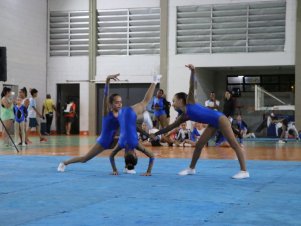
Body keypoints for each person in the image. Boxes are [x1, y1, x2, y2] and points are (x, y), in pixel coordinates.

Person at [153, 64, 249, 179]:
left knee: (234, 144)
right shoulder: (183, 116)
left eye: (174, 101)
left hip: (220, 119)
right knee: (198, 145)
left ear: (181, 100)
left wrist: (193, 71)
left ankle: (244, 171)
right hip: (213, 123)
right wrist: (156, 134)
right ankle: (191, 168)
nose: (172, 103)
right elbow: (170, 127)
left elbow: (191, 86)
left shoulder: (190, 102)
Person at [57, 74, 121, 172]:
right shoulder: (107, 112)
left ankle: (129, 166)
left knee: (130, 142)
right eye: (117, 102)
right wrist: (108, 79)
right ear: (111, 104)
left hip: (113, 141)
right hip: (103, 142)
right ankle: (64, 163)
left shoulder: (121, 114)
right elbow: (105, 95)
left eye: (120, 102)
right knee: (84, 159)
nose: (120, 104)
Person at [109, 75, 161, 176]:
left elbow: (151, 156)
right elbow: (111, 156)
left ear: (136, 154)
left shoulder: (136, 145)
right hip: (122, 114)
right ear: (124, 156)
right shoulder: (120, 144)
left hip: (130, 114)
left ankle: (155, 81)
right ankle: (155, 81)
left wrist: (148, 172)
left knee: (145, 102)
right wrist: (114, 170)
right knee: (144, 102)